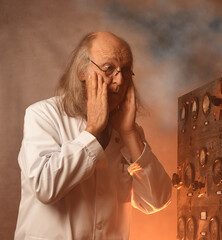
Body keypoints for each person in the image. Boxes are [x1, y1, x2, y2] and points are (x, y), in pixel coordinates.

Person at [14, 31, 172, 240]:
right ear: (82, 70)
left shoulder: (128, 132)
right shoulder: (42, 115)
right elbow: (45, 187)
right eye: (109, 68)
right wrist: (92, 131)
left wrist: (130, 133)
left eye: (125, 71)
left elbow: (157, 200)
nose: (120, 80)